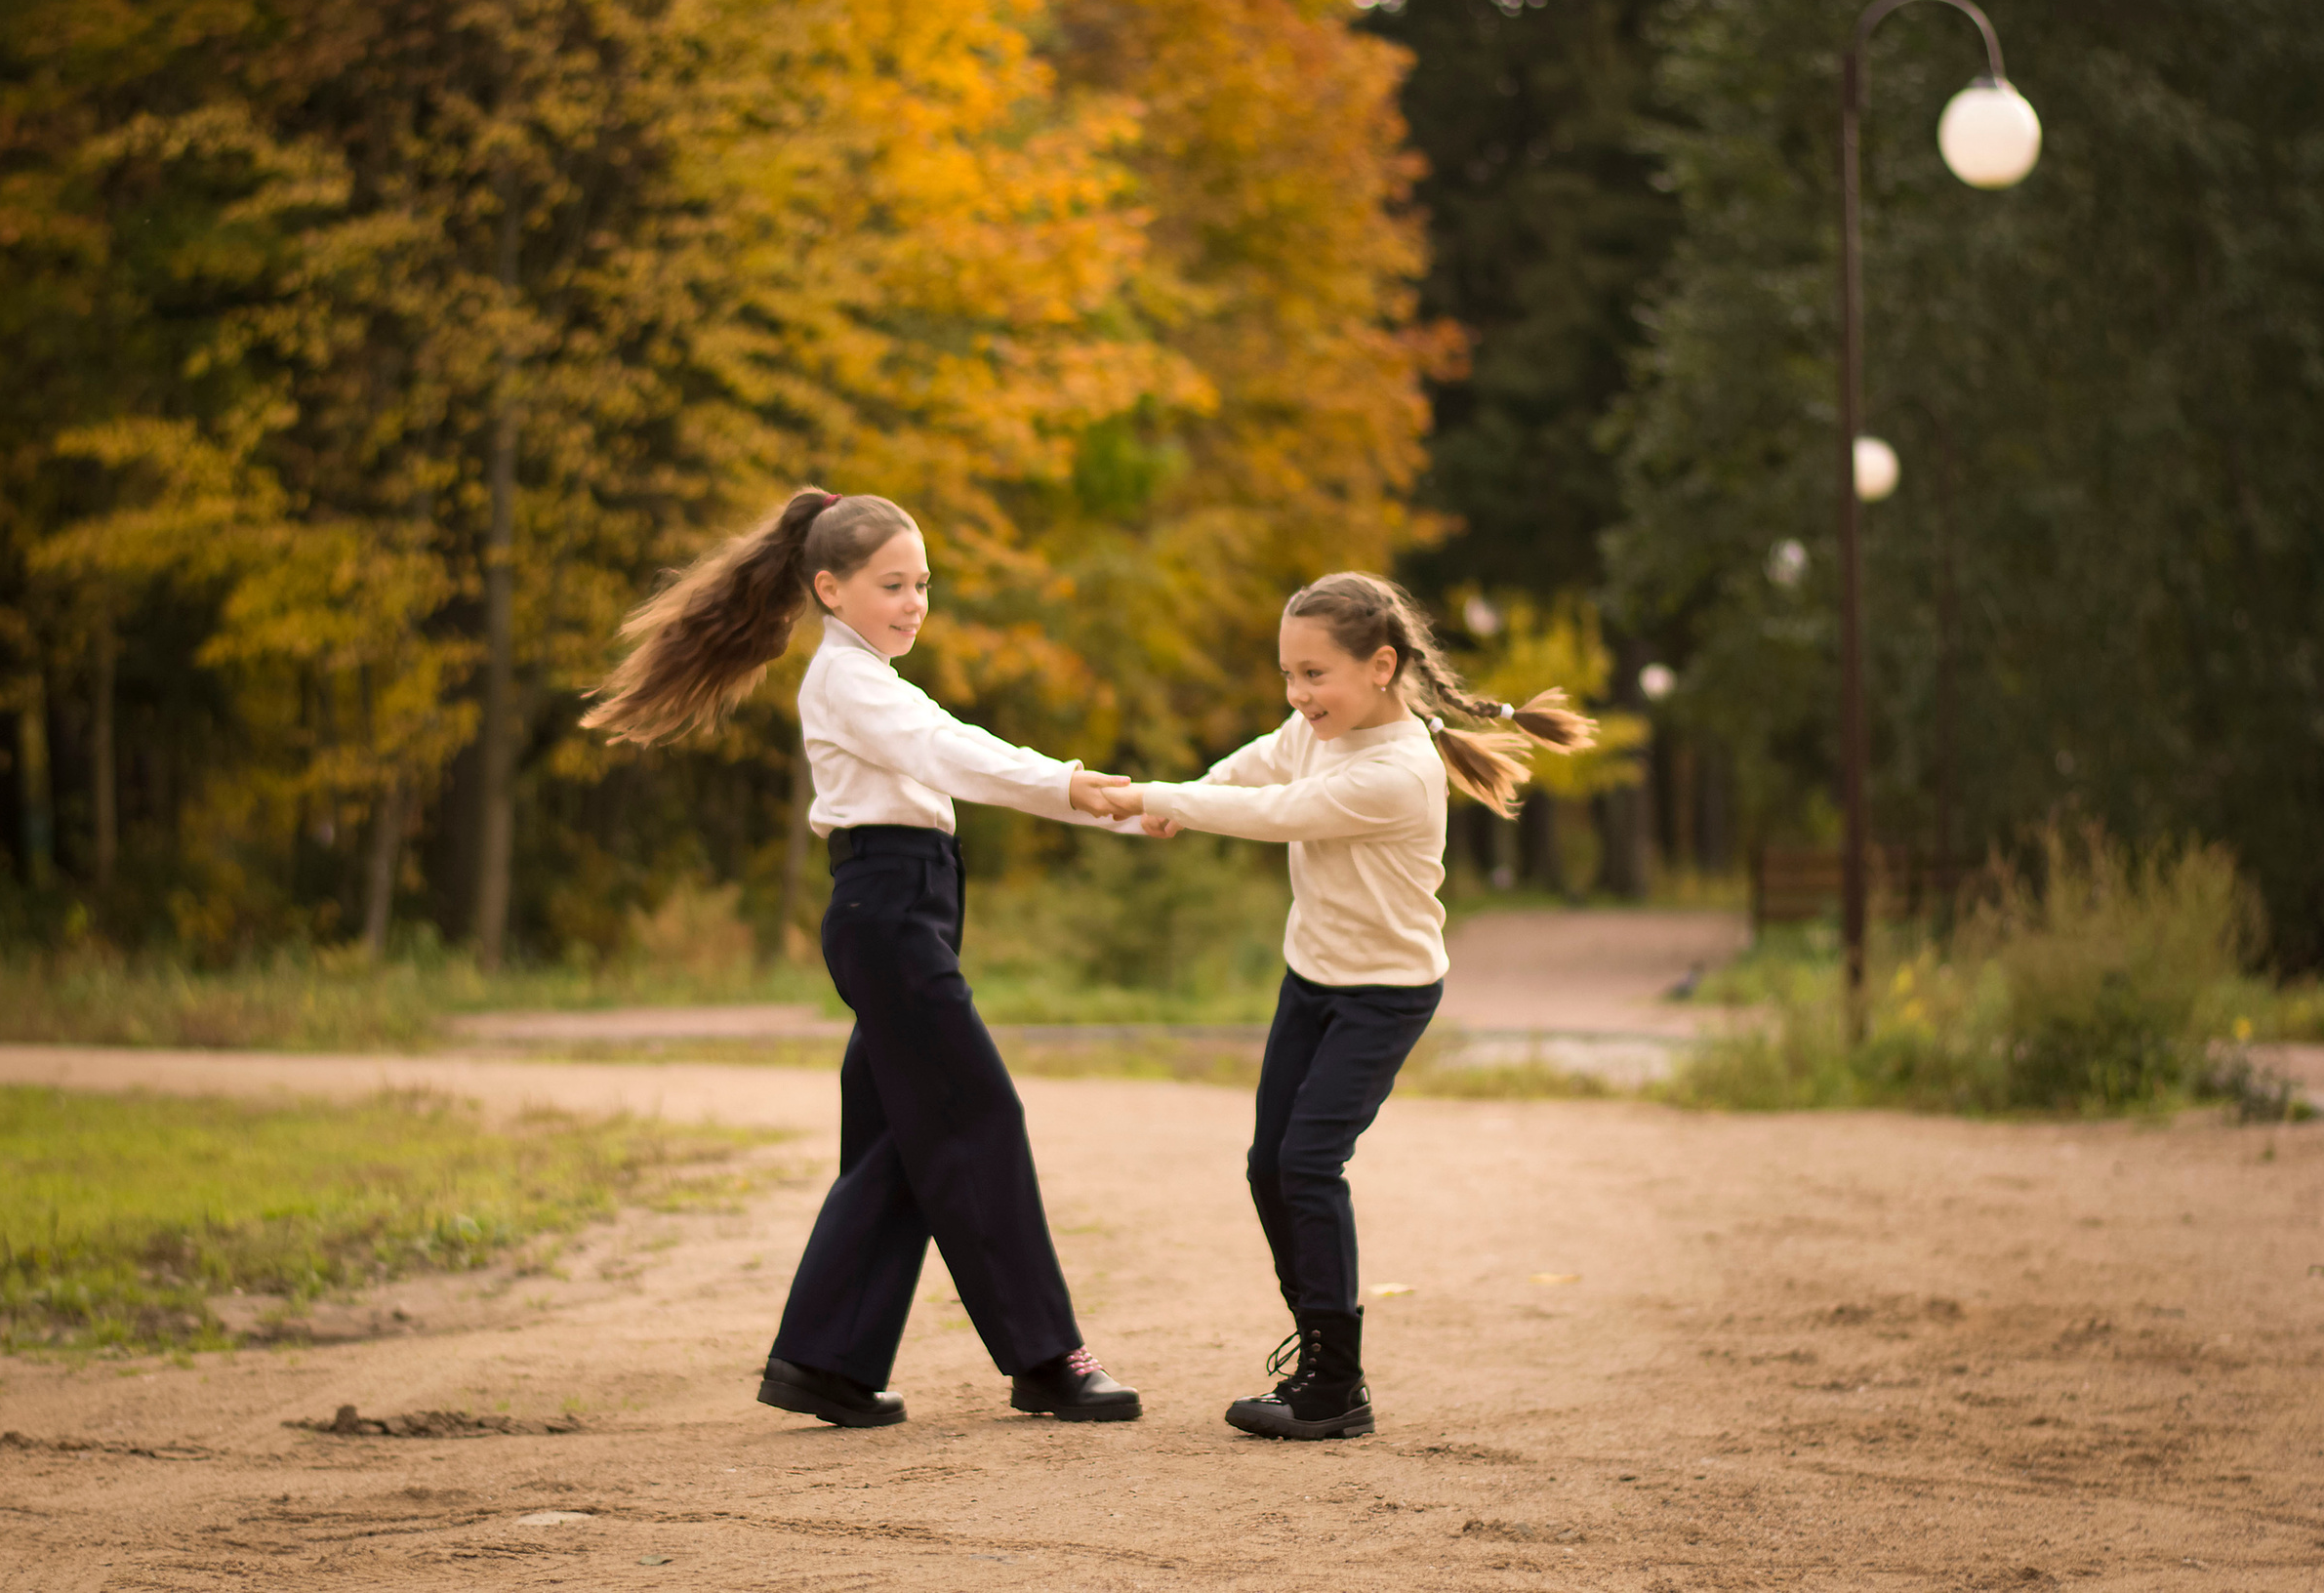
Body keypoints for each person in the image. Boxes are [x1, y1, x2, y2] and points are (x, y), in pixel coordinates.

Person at [583, 488, 1143, 1428]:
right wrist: (1072, 786)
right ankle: (1047, 1357)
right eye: (893, 584)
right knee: (977, 1111)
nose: (915, 600)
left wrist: (1081, 793)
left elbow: (944, 744)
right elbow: (947, 751)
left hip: (908, 904)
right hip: (887, 910)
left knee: (900, 1139)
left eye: (923, 582)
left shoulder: (873, 675)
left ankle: (829, 1362)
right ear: (829, 589)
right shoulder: (848, 681)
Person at [1094, 572, 1596, 1441]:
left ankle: (1336, 1383)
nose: (1298, 694)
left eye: (1315, 674)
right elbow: (1262, 763)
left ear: (1380, 666)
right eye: (1288, 673)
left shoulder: (1397, 773)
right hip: (1313, 977)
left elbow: (1280, 810)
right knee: (1269, 1166)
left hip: (1384, 994)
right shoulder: (1318, 729)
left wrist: (1160, 799)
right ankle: (1321, 1355)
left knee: (1308, 1164)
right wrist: (1193, 792)